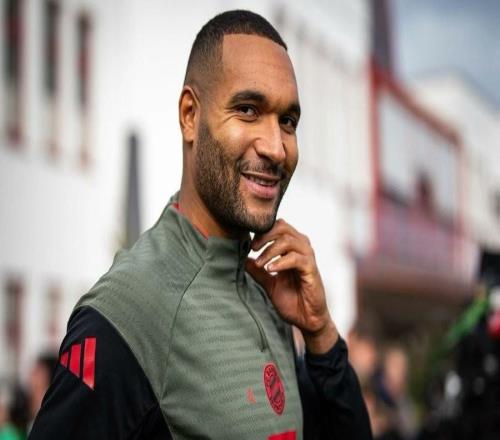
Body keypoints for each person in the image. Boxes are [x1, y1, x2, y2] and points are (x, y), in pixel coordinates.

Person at [28, 10, 371, 439]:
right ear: (190, 115)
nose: (276, 148)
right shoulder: (130, 309)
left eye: (287, 121)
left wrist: (320, 334)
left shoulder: (268, 294)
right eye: (248, 110)